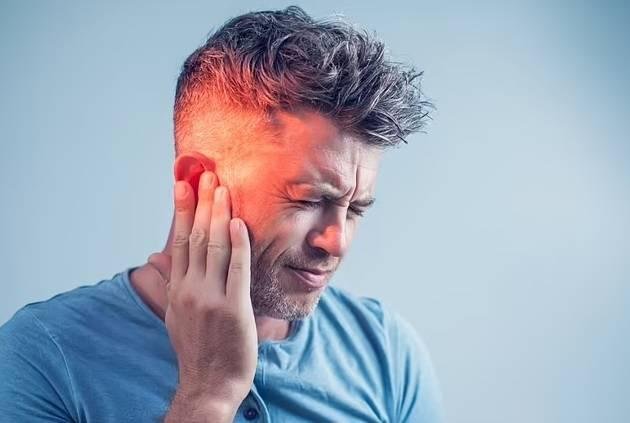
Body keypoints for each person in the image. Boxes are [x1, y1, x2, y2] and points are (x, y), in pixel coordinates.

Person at [0, 6, 443, 422]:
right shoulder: (42, 358)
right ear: (197, 183)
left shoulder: (387, 353)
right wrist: (208, 395)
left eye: (356, 208)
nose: (336, 241)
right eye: (309, 201)